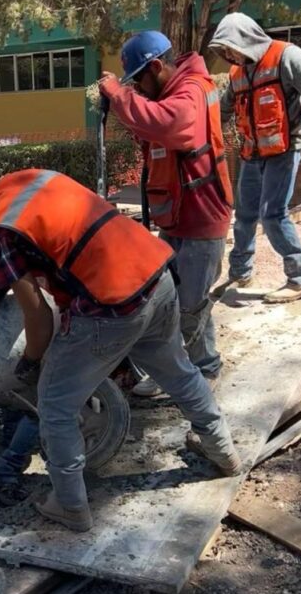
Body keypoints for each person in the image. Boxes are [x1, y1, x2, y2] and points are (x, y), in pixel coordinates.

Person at [0, 168, 242, 534]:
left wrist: (31, 362)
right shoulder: (28, 181)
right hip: (156, 276)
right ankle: (223, 450)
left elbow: (38, 317)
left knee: (54, 405)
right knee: (178, 372)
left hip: (112, 304)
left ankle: (70, 504)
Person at [99, 30, 233, 396]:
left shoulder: (190, 91)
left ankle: (199, 372)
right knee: (173, 302)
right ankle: (187, 368)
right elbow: (151, 128)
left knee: (189, 305)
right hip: (178, 214)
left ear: (157, 67)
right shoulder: (175, 91)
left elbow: (168, 124)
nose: (138, 89)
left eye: (139, 80)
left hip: (201, 216)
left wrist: (119, 95)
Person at [209, 13, 301, 303]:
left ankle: (300, 279)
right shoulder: (237, 73)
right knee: (244, 215)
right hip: (252, 153)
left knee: (273, 214)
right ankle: (241, 273)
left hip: (285, 150)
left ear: (245, 39)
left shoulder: (286, 56)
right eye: (224, 51)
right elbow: (222, 112)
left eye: (231, 48)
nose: (230, 56)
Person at [0, 255, 41, 506]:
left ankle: (10, 450)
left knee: (19, 394)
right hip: (11, 312)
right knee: (33, 399)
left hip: (8, 310)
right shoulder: (5, 240)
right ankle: (7, 468)